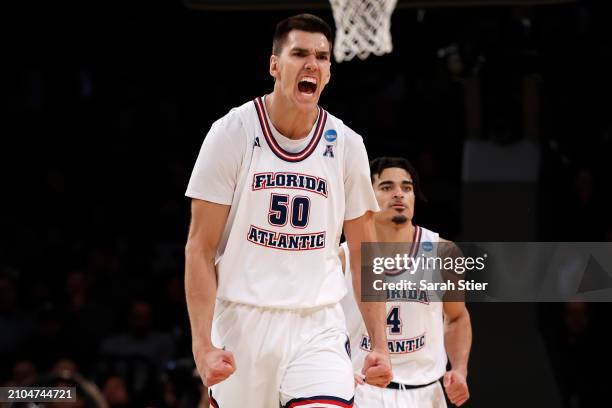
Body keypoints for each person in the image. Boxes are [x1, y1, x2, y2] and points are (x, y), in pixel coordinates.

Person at [184, 14, 392, 407]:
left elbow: (365, 252)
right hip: (242, 323)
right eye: (299, 54)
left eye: (322, 57)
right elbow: (199, 249)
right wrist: (202, 346)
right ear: (274, 65)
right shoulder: (232, 133)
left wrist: (378, 343)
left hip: (318, 325)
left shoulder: (347, 145)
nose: (312, 63)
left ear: (329, 72)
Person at [340, 157, 472, 407]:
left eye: (407, 187)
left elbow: (457, 317)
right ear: (368, 196)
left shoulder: (443, 252)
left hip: (425, 393)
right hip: (361, 391)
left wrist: (460, 369)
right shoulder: (343, 257)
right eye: (387, 187)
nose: (399, 194)